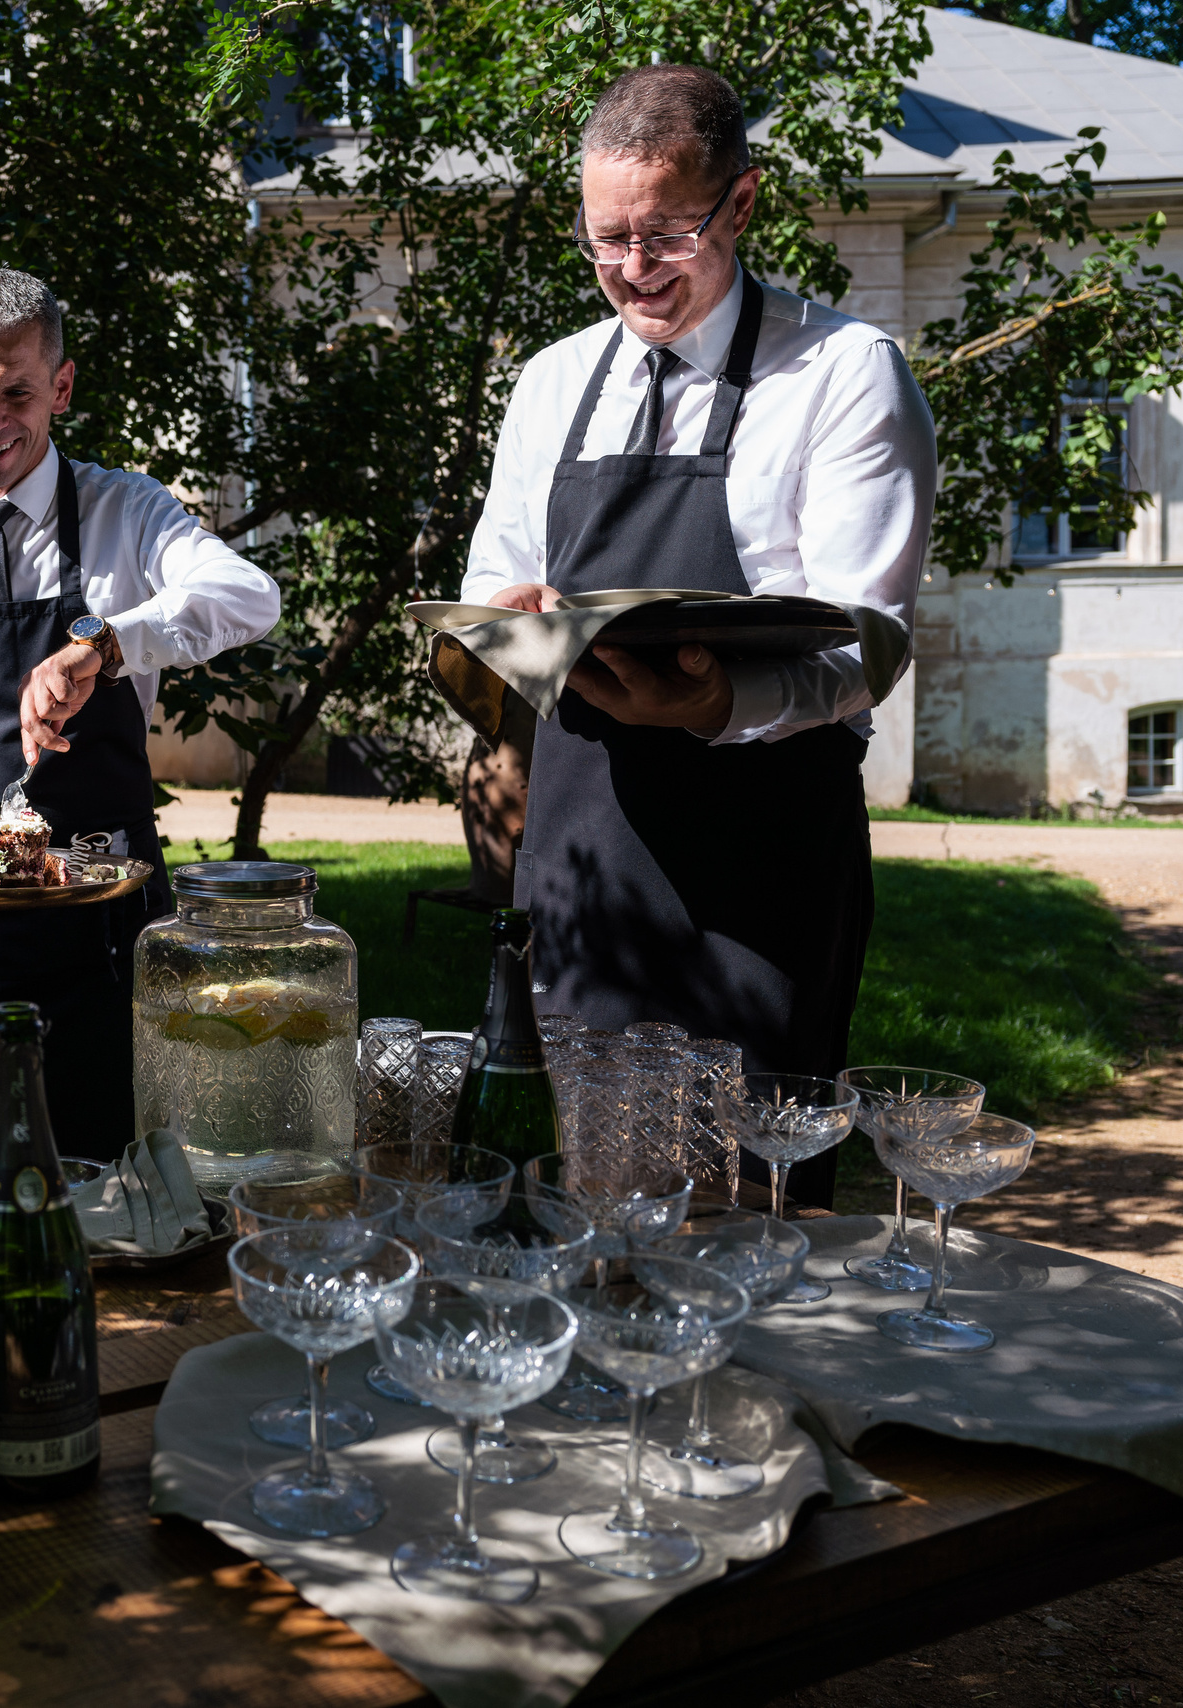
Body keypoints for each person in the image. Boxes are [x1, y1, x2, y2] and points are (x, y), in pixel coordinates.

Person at [459, 64, 936, 1208]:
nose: (632, 270)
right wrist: (509, 632)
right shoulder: (551, 381)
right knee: (574, 1196)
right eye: (603, 239)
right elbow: (491, 583)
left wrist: (713, 702)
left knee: (744, 1218)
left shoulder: (841, 374)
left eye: (665, 233)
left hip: (760, 863)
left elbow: (861, 648)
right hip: (584, 848)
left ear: (742, 203)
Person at [0, 268, 279, 1164]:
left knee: (117, 1171)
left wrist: (109, 643)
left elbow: (248, 595)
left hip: (103, 922)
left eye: (17, 391)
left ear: (61, 387)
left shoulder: (126, 511)